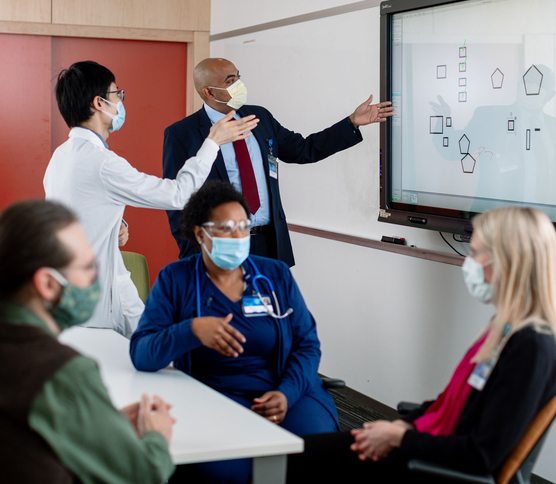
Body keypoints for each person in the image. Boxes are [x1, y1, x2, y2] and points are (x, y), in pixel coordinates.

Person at [286, 206, 556, 483]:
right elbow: (451, 403)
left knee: (297, 463)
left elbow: (480, 455)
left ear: (509, 261)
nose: (469, 263)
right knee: (302, 455)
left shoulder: (531, 347)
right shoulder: (506, 328)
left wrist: (400, 438)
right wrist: (403, 425)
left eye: (475, 253)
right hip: (425, 448)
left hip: (435, 466)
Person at [130, 181, 339, 484]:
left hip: (286, 389)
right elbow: (142, 354)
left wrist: (287, 393)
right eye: (227, 228)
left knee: (315, 458)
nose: (239, 237)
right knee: (223, 473)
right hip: (217, 397)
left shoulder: (274, 275)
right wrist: (190, 330)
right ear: (201, 233)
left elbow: (307, 345)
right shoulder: (176, 280)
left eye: (244, 227)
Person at [44, 60, 259, 337]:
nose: (120, 102)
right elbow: (179, 194)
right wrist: (213, 142)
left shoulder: (61, 156)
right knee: (153, 354)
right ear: (99, 103)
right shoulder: (102, 162)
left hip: (72, 294)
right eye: (116, 94)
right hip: (98, 300)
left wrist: (115, 224)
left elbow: (73, 213)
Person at [0, 199, 176, 483]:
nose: (96, 277)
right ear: (47, 283)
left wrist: (94, 420)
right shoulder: (64, 373)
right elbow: (144, 474)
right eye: (87, 267)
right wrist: (157, 435)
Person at [163, 57, 395, 266]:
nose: (239, 85)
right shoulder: (182, 134)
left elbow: (302, 150)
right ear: (209, 92)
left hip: (269, 243)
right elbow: (176, 200)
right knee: (224, 312)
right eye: (230, 80)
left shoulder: (259, 117)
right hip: (217, 247)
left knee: (268, 311)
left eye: (238, 77)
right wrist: (192, 253)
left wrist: (352, 122)